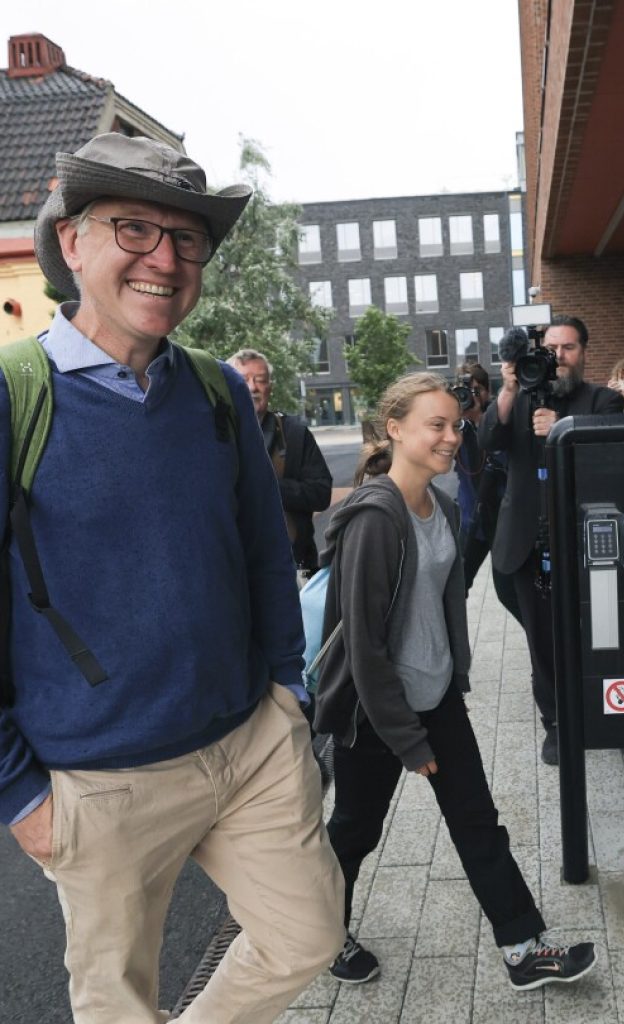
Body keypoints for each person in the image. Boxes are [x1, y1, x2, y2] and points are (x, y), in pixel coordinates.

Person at [0, 134, 345, 1024]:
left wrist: (285, 691)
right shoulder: (13, 396)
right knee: (118, 1005)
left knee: (306, 935)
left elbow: (266, 551)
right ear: (72, 243)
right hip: (100, 781)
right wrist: (21, 796)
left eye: (186, 238)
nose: (165, 258)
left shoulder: (217, 391)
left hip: (249, 745)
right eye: (134, 228)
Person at [312, 372, 597, 990]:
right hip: (378, 711)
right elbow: (364, 647)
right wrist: (407, 740)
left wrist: (453, 677)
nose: (450, 437)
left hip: (435, 697)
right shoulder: (374, 519)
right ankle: (320, 934)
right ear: (395, 429)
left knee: (477, 821)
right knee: (356, 830)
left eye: (454, 425)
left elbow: (444, 602)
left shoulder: (437, 505)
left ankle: (524, 948)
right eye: (434, 425)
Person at [479, 315, 624, 766]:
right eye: (551, 348)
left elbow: (613, 462)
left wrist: (564, 427)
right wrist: (509, 388)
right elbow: (487, 440)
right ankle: (556, 722)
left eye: (569, 348)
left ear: (584, 352)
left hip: (588, 546)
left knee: (609, 636)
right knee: (544, 642)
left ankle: (621, 718)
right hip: (527, 542)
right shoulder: (517, 398)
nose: (558, 357)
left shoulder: (604, 400)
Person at [227, 348, 333, 575]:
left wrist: (267, 484)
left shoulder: (295, 434)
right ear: (228, 386)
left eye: (260, 380)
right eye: (243, 380)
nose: (252, 387)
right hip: (232, 570)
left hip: (293, 568)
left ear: (270, 388)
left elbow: (321, 493)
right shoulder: (213, 436)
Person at [453, 362, 522, 624]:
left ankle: (546, 651)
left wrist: (482, 418)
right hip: (472, 522)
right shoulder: (457, 427)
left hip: (502, 523)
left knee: (508, 592)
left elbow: (509, 462)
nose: (468, 396)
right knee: (456, 587)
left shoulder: (500, 417)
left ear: (485, 391)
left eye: (474, 390)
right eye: (462, 391)